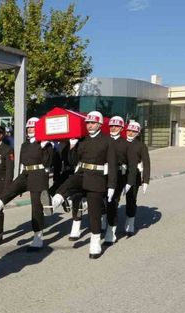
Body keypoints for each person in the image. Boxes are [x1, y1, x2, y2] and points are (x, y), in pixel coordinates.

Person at [50, 111, 117, 259]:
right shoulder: (82, 140)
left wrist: (111, 185)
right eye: (87, 123)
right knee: (69, 182)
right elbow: (73, 161)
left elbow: (112, 164)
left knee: (94, 213)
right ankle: (55, 201)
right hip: (82, 173)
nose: (89, 125)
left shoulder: (108, 141)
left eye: (92, 123)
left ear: (99, 124)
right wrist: (73, 145)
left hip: (97, 178)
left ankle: (95, 242)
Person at [0, 117, 54, 249]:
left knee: (36, 208)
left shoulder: (45, 144)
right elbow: (22, 163)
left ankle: (38, 237)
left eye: (32, 127)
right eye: (28, 128)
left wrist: (44, 147)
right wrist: (19, 179)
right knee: (11, 189)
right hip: (25, 174)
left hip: (39, 175)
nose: (30, 130)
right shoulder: (25, 145)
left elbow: (48, 163)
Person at [102, 116, 130, 245]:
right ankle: (103, 222)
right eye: (111, 126)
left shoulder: (125, 144)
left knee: (112, 202)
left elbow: (130, 164)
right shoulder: (104, 140)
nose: (113, 128)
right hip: (102, 174)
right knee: (101, 201)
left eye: (116, 126)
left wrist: (128, 182)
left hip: (118, 175)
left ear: (121, 128)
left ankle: (111, 230)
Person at [122, 120, 151, 236]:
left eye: (134, 131)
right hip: (121, 174)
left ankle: (130, 222)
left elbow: (147, 163)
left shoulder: (141, 146)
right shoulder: (121, 142)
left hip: (134, 176)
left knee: (131, 199)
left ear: (138, 133)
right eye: (129, 130)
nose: (130, 133)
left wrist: (146, 180)